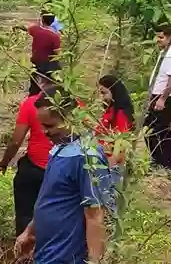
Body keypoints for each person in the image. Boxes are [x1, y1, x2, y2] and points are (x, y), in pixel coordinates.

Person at [15, 87, 111, 264]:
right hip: (47, 252)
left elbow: (95, 215)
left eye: (49, 126)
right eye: (42, 126)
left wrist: (95, 260)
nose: (44, 132)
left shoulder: (86, 157)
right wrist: (30, 231)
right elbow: (51, 197)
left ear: (70, 118)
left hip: (66, 256)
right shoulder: (60, 148)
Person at [0, 64, 59, 235]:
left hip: (36, 167)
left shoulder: (32, 104)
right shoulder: (73, 104)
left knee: (25, 212)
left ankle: (24, 253)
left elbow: (16, 141)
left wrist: (4, 163)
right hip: (61, 167)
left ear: (39, 80)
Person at [145, 23, 171, 170]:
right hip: (160, 95)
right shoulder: (166, 52)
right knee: (161, 130)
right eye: (157, 36)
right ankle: (162, 162)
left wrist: (162, 99)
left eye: (161, 37)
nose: (157, 40)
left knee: (152, 129)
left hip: (164, 97)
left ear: (170, 38)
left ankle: (161, 162)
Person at [18, 13, 61, 96]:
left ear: (42, 21)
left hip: (36, 64)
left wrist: (17, 26)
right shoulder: (55, 36)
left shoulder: (36, 30)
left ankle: (32, 100)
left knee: (35, 86)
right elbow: (58, 53)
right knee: (53, 86)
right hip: (50, 65)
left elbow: (25, 27)